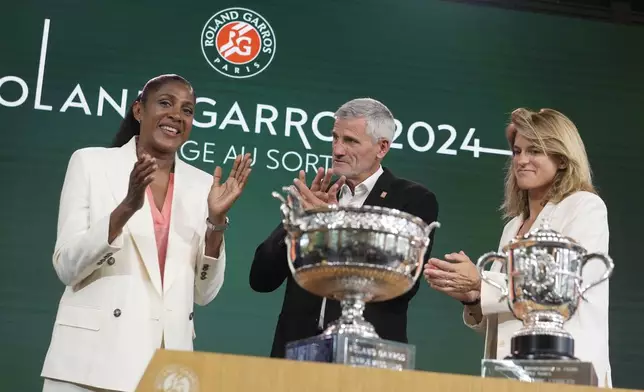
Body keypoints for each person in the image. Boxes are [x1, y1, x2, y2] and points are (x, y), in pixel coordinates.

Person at [40, 74, 252, 392]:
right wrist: (126, 207)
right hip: (88, 364)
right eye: (165, 103)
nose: (177, 116)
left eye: (188, 110)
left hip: (165, 370)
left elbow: (204, 294)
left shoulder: (203, 186)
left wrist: (216, 224)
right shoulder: (91, 163)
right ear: (139, 110)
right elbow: (67, 267)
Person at [423, 108, 612, 387]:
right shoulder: (513, 227)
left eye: (534, 151)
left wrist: (481, 281)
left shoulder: (584, 206)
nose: (522, 160)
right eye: (517, 151)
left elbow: (564, 290)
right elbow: (508, 317)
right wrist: (472, 297)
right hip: (510, 374)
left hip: (566, 372)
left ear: (561, 159)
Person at [249, 97, 439, 358]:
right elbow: (260, 279)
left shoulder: (412, 200)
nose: (337, 150)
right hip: (295, 354)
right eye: (335, 138)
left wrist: (332, 226)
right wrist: (299, 221)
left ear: (381, 147)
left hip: (367, 355)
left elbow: (403, 285)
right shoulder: (318, 194)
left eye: (350, 141)